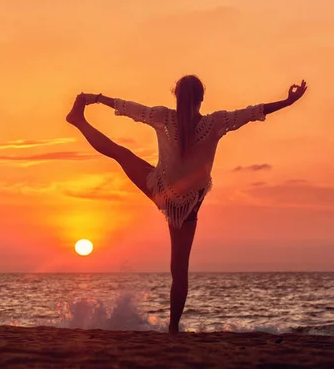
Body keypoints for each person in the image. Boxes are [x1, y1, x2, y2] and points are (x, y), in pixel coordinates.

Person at [66, 75, 308, 333]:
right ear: (201, 98)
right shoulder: (216, 122)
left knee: (120, 153)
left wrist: (96, 98)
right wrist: (287, 101)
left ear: (176, 96)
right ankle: (173, 328)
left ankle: (79, 121)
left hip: (160, 189)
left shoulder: (163, 117)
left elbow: (128, 107)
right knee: (179, 270)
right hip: (189, 205)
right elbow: (253, 112)